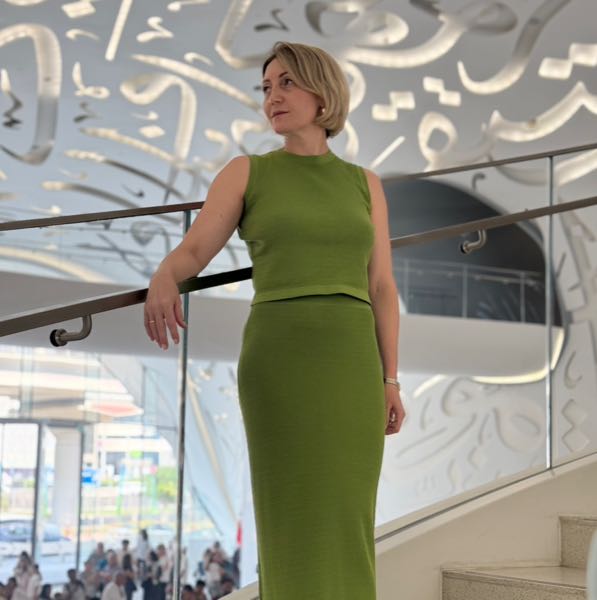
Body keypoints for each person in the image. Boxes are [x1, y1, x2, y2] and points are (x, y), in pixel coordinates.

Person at [144, 40, 405, 599]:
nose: (272, 98)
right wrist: (165, 273)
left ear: (322, 92)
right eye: (266, 88)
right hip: (279, 358)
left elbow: (382, 286)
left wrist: (391, 379)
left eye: (287, 83)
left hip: (353, 362)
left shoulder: (365, 183)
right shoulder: (247, 172)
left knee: (349, 509)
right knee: (288, 510)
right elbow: (195, 250)